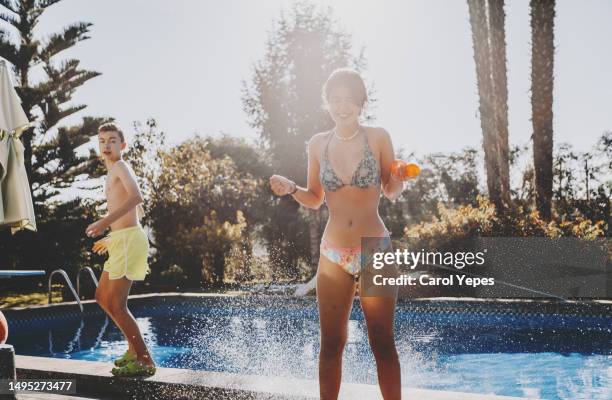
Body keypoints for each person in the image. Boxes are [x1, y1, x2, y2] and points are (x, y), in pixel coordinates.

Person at [269, 69, 403, 399]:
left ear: (361, 103)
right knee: (331, 344)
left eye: (350, 100)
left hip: (375, 251)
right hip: (333, 254)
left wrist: (400, 176)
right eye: (336, 100)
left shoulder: (378, 137)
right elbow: (314, 198)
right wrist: (292, 189)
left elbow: (391, 190)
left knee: (382, 341)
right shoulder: (317, 144)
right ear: (327, 102)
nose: (343, 107)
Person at [87, 122, 156, 377]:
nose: (106, 145)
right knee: (102, 297)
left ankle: (145, 360)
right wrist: (112, 236)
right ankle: (132, 349)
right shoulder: (111, 171)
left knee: (117, 303)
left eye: (112, 140)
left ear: (122, 145)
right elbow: (128, 210)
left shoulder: (120, 166)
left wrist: (104, 223)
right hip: (122, 240)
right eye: (102, 140)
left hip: (129, 241)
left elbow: (136, 197)